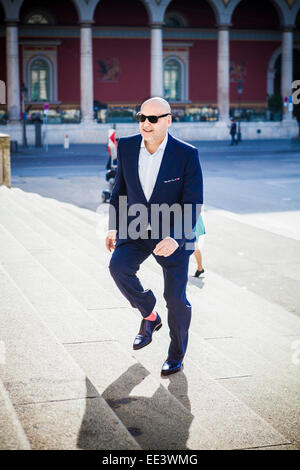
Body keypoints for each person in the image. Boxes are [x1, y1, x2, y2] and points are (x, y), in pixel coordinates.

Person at [105, 97, 203, 376]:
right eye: (141, 118)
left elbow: (193, 202)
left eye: (153, 119)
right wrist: (113, 225)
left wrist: (175, 237)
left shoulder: (186, 154)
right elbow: (119, 191)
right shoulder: (125, 147)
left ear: (168, 120)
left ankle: (176, 354)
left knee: (175, 298)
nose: (146, 124)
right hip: (136, 228)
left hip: (172, 235)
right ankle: (149, 315)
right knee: (118, 267)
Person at [193, 211, 206, 277]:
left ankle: (200, 268)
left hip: (192, 222)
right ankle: (200, 268)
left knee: (192, 246)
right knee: (193, 247)